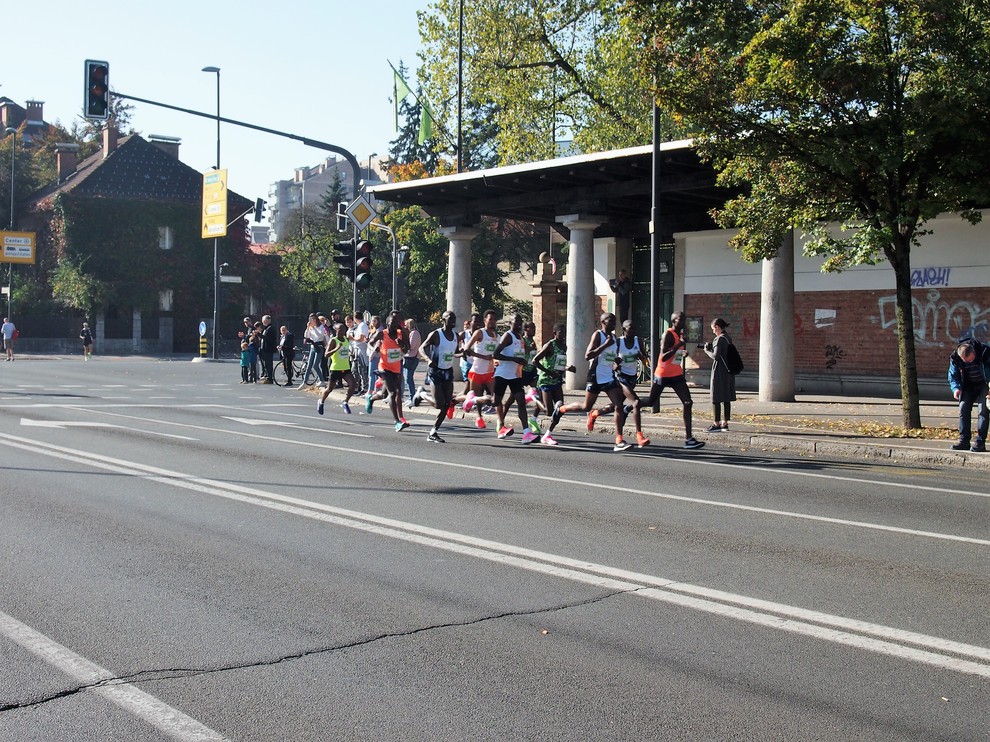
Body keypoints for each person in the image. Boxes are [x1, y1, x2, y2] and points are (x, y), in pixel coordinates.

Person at [547, 312, 634, 451]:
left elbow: (609, 357)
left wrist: (616, 361)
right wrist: (605, 345)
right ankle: (562, 409)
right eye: (611, 321)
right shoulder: (598, 335)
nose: (614, 323)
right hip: (595, 376)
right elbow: (588, 355)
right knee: (586, 407)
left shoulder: (613, 338)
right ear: (603, 322)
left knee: (618, 404)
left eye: (615, 321)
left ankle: (619, 440)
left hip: (608, 376)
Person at [643, 311, 705, 449]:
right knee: (650, 401)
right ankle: (630, 406)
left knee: (688, 402)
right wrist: (678, 346)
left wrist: (683, 352)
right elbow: (663, 356)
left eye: (684, 319)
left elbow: (675, 354)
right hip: (663, 374)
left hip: (676, 374)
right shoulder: (668, 334)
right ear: (673, 321)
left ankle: (689, 439)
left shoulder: (680, 335)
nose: (683, 322)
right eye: (680, 320)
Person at [491, 313, 539, 444]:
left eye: (520, 321)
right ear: (509, 323)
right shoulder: (508, 336)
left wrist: (524, 357)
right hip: (502, 374)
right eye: (515, 321)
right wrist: (514, 359)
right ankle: (500, 425)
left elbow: (519, 352)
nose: (518, 324)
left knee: (521, 402)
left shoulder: (520, 338)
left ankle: (526, 433)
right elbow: (496, 354)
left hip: (515, 375)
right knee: (496, 402)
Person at [417, 310, 461, 442]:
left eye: (454, 318)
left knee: (447, 404)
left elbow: (456, 353)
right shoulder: (436, 334)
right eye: (450, 318)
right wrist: (427, 359)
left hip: (447, 372)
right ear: (443, 319)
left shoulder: (455, 336)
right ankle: (422, 394)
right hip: (435, 371)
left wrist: (464, 353)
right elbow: (421, 348)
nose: (453, 321)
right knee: (438, 405)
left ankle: (433, 432)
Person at [366, 311, 410, 431]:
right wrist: (374, 349)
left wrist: (402, 345)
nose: (393, 326)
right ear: (387, 323)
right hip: (384, 367)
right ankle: (397, 421)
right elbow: (369, 343)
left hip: (396, 367)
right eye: (391, 324)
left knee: (384, 394)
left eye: (396, 324)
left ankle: (371, 398)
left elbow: (407, 349)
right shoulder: (382, 334)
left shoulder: (402, 333)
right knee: (393, 393)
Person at [533, 323, 575, 445]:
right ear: (555, 333)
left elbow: (559, 364)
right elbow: (535, 360)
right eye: (560, 332)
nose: (563, 334)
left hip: (556, 382)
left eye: (564, 332)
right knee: (548, 411)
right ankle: (533, 398)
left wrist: (568, 368)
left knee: (560, 408)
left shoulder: (564, 347)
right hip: (546, 380)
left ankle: (547, 435)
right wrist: (549, 372)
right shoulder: (550, 345)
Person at [948, 339, 990, 452]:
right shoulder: (955, 358)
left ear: (974, 353)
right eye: (966, 361)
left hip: (984, 385)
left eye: (971, 360)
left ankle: (980, 442)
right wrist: (956, 389)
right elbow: (953, 375)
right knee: (963, 408)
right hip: (968, 385)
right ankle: (964, 440)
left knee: (983, 411)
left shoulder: (985, 352)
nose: (969, 362)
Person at [462, 309, 500, 429]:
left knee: (495, 398)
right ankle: (478, 417)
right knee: (477, 397)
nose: (493, 321)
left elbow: (498, 353)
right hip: (477, 371)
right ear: (485, 321)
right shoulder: (479, 333)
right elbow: (467, 349)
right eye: (490, 319)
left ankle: (501, 424)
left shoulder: (497, 336)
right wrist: (483, 356)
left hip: (490, 372)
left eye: (494, 319)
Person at [703, 317, 736, 431]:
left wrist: (707, 350)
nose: (713, 331)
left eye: (713, 329)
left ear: (717, 327)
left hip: (719, 371)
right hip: (728, 371)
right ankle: (725, 423)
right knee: (726, 396)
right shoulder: (728, 338)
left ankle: (716, 423)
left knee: (715, 396)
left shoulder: (719, 339)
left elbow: (716, 356)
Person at [317, 322, 357, 415]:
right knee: (329, 389)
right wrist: (336, 349)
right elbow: (326, 355)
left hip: (345, 368)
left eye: (343, 330)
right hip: (335, 368)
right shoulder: (333, 340)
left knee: (353, 384)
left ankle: (345, 402)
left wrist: (351, 353)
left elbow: (346, 350)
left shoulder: (346, 339)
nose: (342, 332)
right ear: (336, 330)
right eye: (340, 330)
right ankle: (321, 401)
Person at [302, 313, 328, 387]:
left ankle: (322, 380)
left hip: (319, 346)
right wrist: (308, 328)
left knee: (315, 365)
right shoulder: (310, 327)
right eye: (310, 319)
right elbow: (306, 336)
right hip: (313, 346)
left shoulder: (320, 326)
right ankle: (304, 382)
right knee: (309, 365)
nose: (311, 321)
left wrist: (313, 328)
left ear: (316, 319)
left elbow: (320, 335)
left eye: (313, 319)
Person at [403, 318, 423, 406]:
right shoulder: (411, 333)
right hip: (408, 357)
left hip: (412, 358)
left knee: (409, 378)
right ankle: (411, 397)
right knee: (407, 378)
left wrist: (403, 343)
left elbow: (411, 346)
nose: (404, 326)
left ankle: (412, 397)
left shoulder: (414, 333)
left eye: (406, 324)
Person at [350, 312, 370, 395]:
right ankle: (361, 387)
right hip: (358, 348)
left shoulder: (362, 325)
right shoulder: (360, 326)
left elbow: (361, 338)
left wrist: (352, 338)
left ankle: (365, 388)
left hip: (361, 348)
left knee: (362, 369)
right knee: (357, 369)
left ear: (355, 318)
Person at [258, 315, 277, 383]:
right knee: (265, 364)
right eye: (263, 321)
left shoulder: (271, 328)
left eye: (265, 321)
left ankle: (270, 378)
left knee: (268, 364)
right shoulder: (266, 328)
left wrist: (259, 334)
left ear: (268, 320)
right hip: (264, 349)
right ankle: (266, 376)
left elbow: (267, 338)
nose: (263, 322)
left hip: (268, 349)